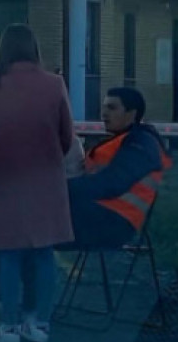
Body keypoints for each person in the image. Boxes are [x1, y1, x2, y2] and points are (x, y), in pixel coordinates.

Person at [0, 23, 74, 342]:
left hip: (6, 179)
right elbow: (67, 135)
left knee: (9, 254)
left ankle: (9, 326)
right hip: (46, 179)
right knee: (45, 253)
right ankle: (40, 323)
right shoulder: (55, 85)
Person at [66, 87, 171, 249]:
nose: (104, 114)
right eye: (104, 107)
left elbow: (112, 183)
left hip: (114, 223)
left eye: (112, 108)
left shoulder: (141, 144)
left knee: (34, 230)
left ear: (132, 114)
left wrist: (61, 189)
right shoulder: (127, 140)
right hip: (100, 215)